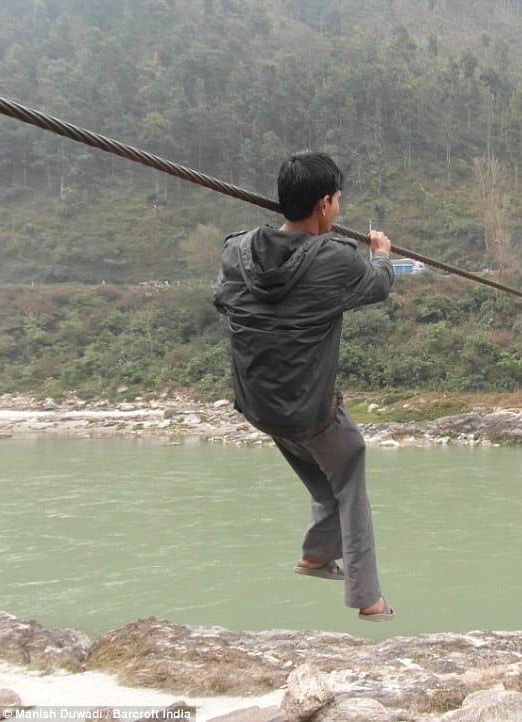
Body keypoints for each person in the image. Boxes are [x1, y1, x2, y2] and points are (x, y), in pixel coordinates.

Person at [213, 151, 395, 621]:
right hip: (308, 412)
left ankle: (316, 556)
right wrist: (381, 253)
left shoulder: (237, 250)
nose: (338, 209)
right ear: (324, 205)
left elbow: (223, 299)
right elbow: (376, 285)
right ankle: (368, 599)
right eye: (337, 201)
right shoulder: (334, 259)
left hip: (259, 407)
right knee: (349, 468)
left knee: (324, 480)